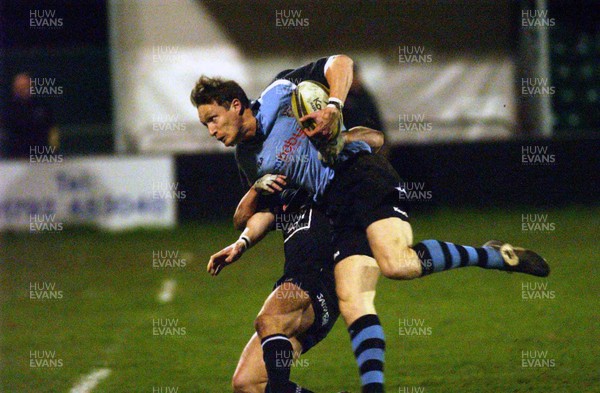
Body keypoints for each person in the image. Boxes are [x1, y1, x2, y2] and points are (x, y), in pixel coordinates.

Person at [191, 55, 550, 393]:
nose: (210, 130)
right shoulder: (249, 159)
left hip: (358, 180)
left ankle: (490, 257)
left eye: (212, 119)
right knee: (352, 301)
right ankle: (492, 256)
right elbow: (256, 212)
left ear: (235, 105)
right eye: (205, 123)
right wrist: (243, 233)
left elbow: (341, 65)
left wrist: (333, 108)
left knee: (389, 268)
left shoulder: (282, 91)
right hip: (335, 207)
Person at [209, 128, 385, 393]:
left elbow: (376, 140)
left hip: (323, 275)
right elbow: (247, 219)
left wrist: (338, 137)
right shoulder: (286, 190)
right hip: (300, 281)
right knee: (248, 383)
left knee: (269, 319)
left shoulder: (329, 167)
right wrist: (242, 241)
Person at [2, 73, 59, 159]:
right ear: (14, 88)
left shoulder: (42, 105)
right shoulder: (7, 108)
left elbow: (52, 129)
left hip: (40, 156)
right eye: (19, 86)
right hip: (14, 158)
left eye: (25, 86)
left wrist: (54, 151)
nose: (22, 89)